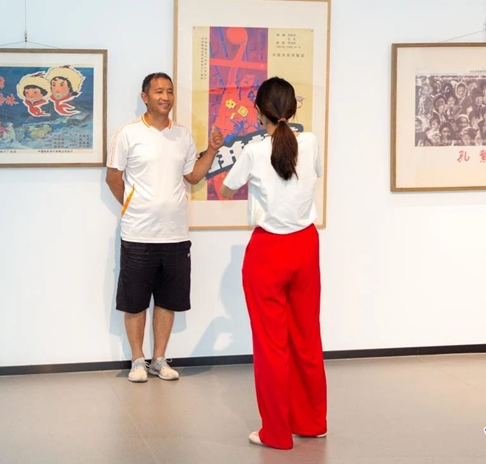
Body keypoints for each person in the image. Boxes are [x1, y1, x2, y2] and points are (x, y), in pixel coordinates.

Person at [219, 77, 327, 450]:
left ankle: (276, 434)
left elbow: (226, 189)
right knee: (307, 337)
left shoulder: (253, 151)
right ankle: (312, 422)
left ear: (257, 112)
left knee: (271, 347)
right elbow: (315, 174)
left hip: (268, 252)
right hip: (305, 246)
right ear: (294, 108)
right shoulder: (310, 142)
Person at [106, 72, 224, 383]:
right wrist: (132, 206)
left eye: (170, 91)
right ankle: (137, 360)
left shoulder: (182, 135)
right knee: (135, 301)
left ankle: (159, 359)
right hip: (138, 234)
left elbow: (193, 176)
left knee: (168, 300)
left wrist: (212, 150)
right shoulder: (128, 133)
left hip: (175, 235)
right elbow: (113, 178)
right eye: (159, 91)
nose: (166, 97)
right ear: (144, 97)